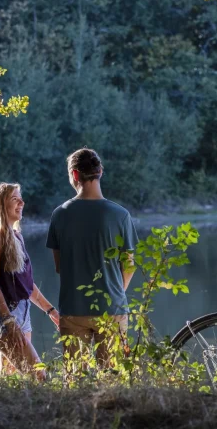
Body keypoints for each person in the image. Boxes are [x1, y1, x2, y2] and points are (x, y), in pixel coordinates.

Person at [46, 148, 138, 366]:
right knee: (113, 379)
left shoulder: (60, 214)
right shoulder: (120, 215)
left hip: (73, 309)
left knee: (75, 379)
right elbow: (129, 266)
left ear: (75, 175)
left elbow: (60, 267)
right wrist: (114, 291)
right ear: (100, 172)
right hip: (112, 310)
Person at [0, 183, 59, 380]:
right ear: (0, 205)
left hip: (22, 313)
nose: (22, 202)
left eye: (20, 198)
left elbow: (26, 285)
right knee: (39, 376)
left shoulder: (16, 236)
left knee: (9, 378)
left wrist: (51, 311)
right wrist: (8, 320)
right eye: (15, 199)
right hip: (2, 317)